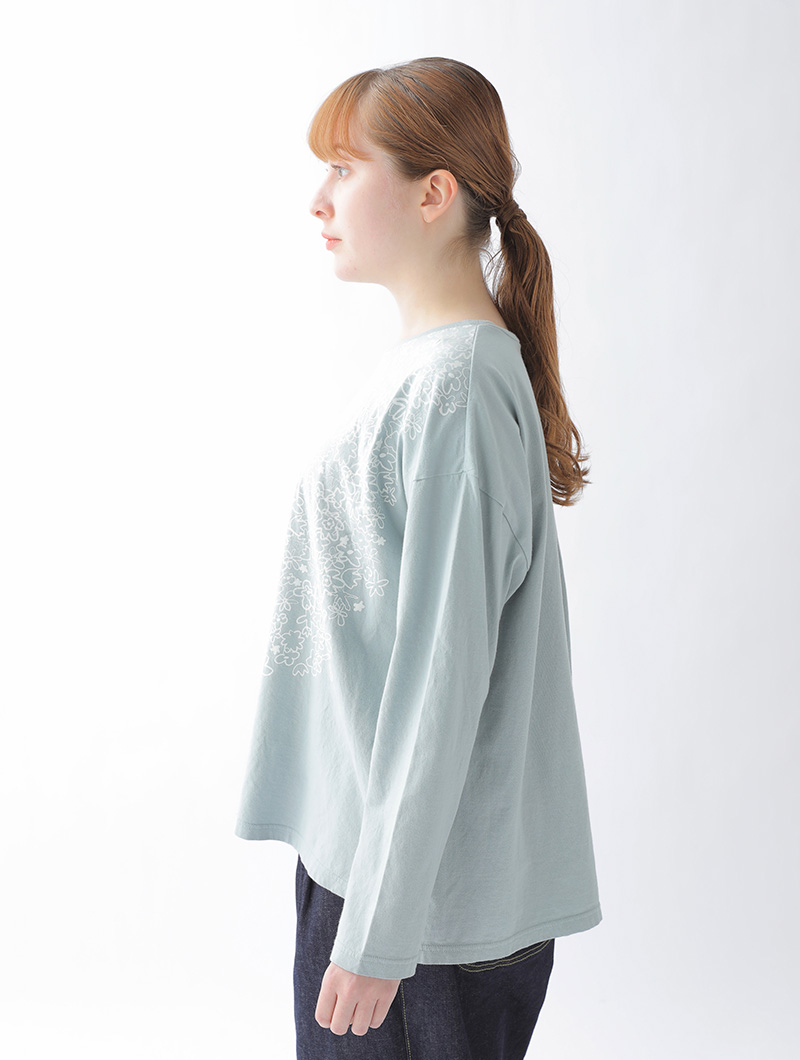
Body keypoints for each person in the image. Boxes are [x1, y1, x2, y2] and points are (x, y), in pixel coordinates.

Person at [234, 56, 602, 1059]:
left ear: (433, 193)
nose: (319, 199)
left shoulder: (456, 391)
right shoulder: (436, 374)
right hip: (386, 883)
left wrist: (378, 933)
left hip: (421, 919)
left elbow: (442, 678)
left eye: (345, 168)